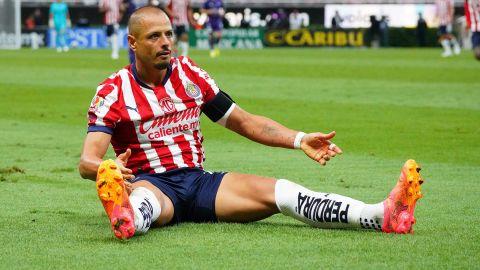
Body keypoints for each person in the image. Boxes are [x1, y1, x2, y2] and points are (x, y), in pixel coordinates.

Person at [79, 6, 424, 240]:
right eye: (154, 36)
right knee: (145, 204)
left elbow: (243, 122)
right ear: (133, 43)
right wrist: (106, 169)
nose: (166, 42)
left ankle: (382, 214)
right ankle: (125, 214)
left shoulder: (189, 75)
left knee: (283, 192)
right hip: (151, 184)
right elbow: (87, 161)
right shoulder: (113, 91)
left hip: (199, 184)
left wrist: (299, 138)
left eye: (169, 34)